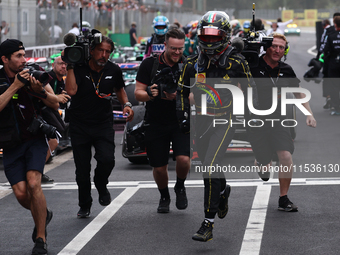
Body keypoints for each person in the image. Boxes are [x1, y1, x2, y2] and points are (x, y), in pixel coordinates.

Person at [177, 11, 256, 242]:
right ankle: (222, 191)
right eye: (206, 36)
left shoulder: (237, 62)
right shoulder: (192, 63)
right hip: (201, 120)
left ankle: (207, 223)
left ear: (224, 36)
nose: (209, 41)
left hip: (226, 119)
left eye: (214, 36)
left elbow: (253, 91)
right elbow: (182, 92)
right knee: (210, 164)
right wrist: (183, 115)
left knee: (209, 165)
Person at [64, 35, 134, 218]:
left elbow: (119, 90)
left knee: (107, 160)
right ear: (92, 50)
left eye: (108, 52)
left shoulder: (114, 70)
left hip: (103, 123)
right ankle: (85, 204)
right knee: (82, 170)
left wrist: (126, 104)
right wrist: (70, 64)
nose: (104, 55)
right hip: (79, 125)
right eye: (100, 50)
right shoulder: (78, 68)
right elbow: (71, 91)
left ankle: (101, 183)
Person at [0, 39, 59, 254]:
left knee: (34, 184)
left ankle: (40, 239)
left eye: (24, 55)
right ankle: (44, 213)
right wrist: (15, 86)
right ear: (4, 59)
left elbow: (55, 103)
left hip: (34, 139)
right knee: (22, 194)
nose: (24, 60)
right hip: (10, 143)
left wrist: (40, 91)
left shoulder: (34, 72)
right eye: (18, 56)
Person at [248, 33, 317, 211]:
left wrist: (309, 114)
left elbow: (299, 92)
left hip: (279, 120)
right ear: (267, 47)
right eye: (274, 46)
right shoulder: (252, 65)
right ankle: (261, 161)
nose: (278, 50)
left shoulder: (286, 69)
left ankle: (283, 198)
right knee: (264, 168)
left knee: (285, 156)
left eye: (281, 47)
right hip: (256, 121)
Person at [135, 27, 190, 214]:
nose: (177, 52)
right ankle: (164, 195)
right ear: (165, 45)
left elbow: (199, 95)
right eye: (173, 48)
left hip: (180, 119)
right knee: (159, 167)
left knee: (183, 159)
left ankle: (180, 186)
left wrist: (178, 96)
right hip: (155, 121)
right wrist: (150, 94)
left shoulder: (189, 65)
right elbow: (138, 93)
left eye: (180, 49)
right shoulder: (149, 64)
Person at [42, 55, 71, 183]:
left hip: (51, 111)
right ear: (54, 65)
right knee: (53, 140)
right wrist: (57, 97)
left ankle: (38, 171)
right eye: (60, 63)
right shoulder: (48, 77)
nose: (63, 66)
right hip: (41, 112)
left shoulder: (61, 80)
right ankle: (37, 171)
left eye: (65, 64)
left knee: (56, 136)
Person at [323, 16, 340, 116]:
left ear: (335, 25)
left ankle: (337, 108)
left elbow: (326, 50)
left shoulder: (331, 35)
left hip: (334, 64)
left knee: (334, 87)